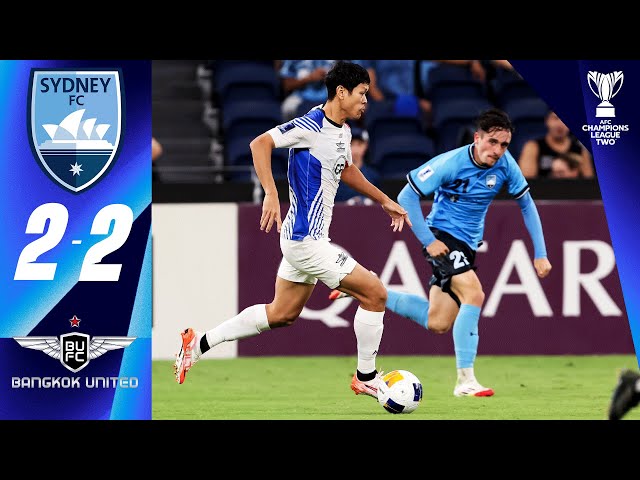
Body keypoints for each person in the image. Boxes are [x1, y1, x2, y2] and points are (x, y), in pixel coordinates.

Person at [173, 61, 411, 400]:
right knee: (376, 295)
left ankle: (199, 342)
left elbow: (346, 170)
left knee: (282, 314)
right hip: (306, 241)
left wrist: (384, 199)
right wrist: (271, 192)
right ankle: (366, 376)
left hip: (304, 239)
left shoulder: (342, 129)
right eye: (361, 94)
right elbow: (259, 145)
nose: (365, 101)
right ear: (341, 93)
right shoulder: (310, 124)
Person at [330, 108, 552, 397]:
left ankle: (365, 286)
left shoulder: (506, 165)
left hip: (468, 244)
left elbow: (527, 205)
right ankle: (465, 381)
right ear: (477, 138)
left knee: (438, 321)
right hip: (442, 237)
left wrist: (541, 252)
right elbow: (406, 196)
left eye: (504, 144)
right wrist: (427, 240)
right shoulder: (450, 162)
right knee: (474, 293)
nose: (497, 151)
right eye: (492, 142)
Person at [518, 110, 594, 179]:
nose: (560, 124)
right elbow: (526, 181)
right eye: (555, 118)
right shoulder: (533, 147)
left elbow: (589, 182)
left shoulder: (580, 150)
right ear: (547, 121)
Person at [334, 126, 379, 205]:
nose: (355, 149)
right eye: (351, 144)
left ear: (365, 146)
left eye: (359, 144)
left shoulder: (373, 175)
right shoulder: (335, 175)